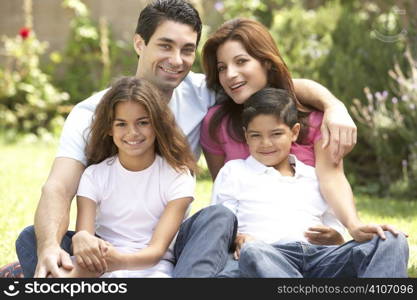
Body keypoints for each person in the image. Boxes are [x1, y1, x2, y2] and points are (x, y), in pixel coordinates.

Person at [15, 0, 356, 278]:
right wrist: (50, 247)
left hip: (177, 241)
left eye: (187, 50)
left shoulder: (201, 93)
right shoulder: (91, 113)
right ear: (139, 43)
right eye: (165, 45)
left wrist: (333, 104)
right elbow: (58, 188)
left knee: (218, 218)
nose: (176, 60)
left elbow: (271, 85)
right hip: (111, 242)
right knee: (35, 239)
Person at [212, 88, 409, 278]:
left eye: (276, 134)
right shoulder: (234, 171)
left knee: (392, 240)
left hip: (320, 259)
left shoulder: (314, 176)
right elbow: (220, 227)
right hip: (270, 257)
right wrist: (239, 239)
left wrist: (335, 238)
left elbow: (335, 230)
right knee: (253, 251)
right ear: (246, 135)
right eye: (256, 135)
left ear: (294, 132)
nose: (266, 143)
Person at [200, 18, 362, 245]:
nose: (230, 75)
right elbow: (225, 197)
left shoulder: (313, 119)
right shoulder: (216, 124)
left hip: (310, 245)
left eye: (241, 61)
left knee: (389, 243)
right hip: (253, 246)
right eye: (222, 68)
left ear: (266, 62)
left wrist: (353, 226)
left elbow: (332, 178)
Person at [60, 76, 196, 277]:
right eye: (121, 124)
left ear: (157, 125)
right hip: (99, 262)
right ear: (109, 128)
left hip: (151, 268)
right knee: (31, 238)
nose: (132, 133)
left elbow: (156, 252)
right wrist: (81, 239)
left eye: (143, 122)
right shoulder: (94, 175)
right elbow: (86, 237)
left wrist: (117, 262)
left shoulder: (178, 176)